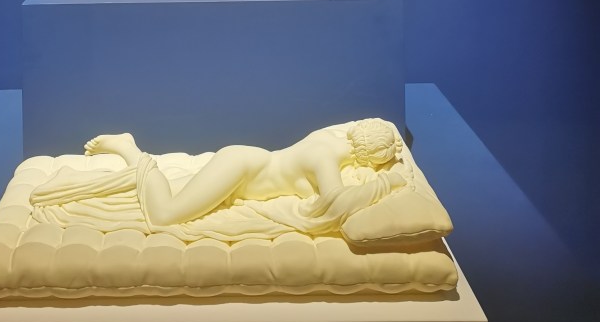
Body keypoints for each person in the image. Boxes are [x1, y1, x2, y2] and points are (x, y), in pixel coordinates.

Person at [81, 122, 405, 228]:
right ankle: (129, 149)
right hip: (243, 170)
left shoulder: (332, 136)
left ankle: (113, 169)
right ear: (370, 156)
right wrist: (386, 182)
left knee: (138, 196)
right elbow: (336, 202)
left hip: (244, 168)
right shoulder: (326, 157)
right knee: (164, 216)